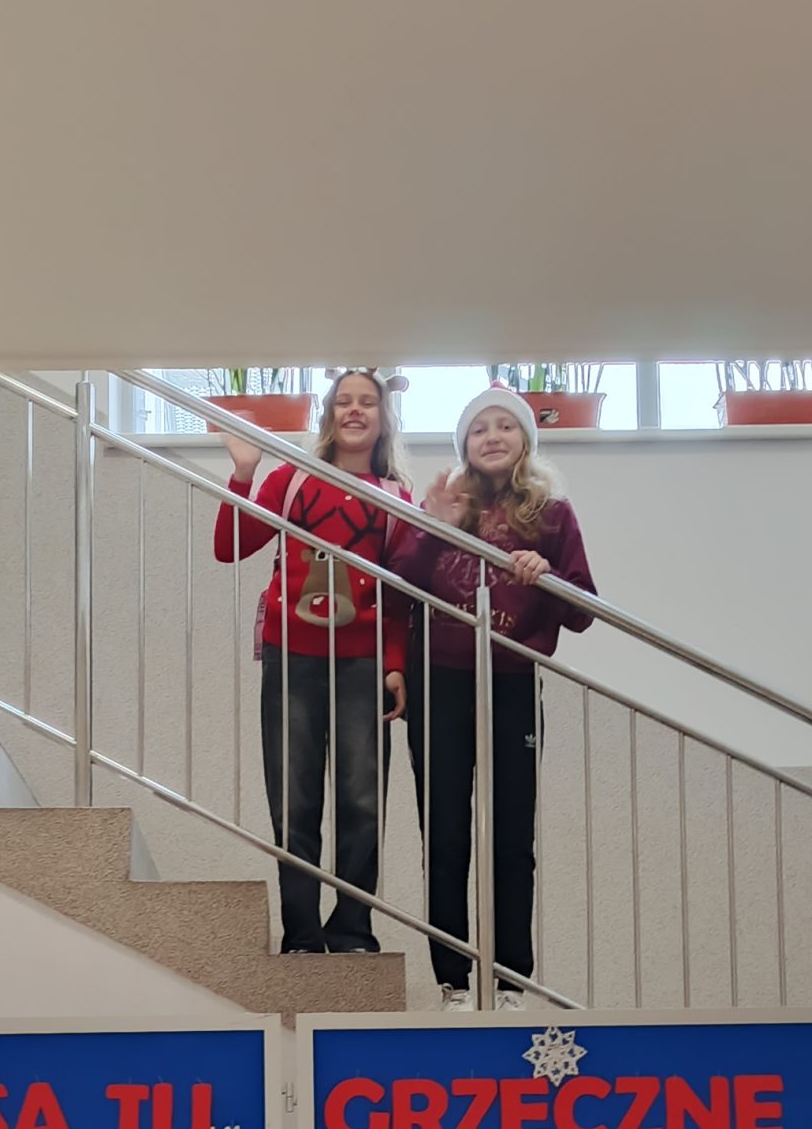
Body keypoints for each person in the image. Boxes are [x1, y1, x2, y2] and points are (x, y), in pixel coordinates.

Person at [399, 383, 597, 1005]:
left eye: (505, 426)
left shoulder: (552, 513)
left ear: (525, 441)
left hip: (511, 683)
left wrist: (550, 575)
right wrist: (435, 527)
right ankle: (453, 983)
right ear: (465, 444)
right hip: (439, 682)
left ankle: (511, 981)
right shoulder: (444, 501)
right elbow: (398, 586)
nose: (493, 436)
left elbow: (583, 610)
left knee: (512, 839)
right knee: (445, 836)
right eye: (480, 428)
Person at [213, 370, 411, 954]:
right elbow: (230, 546)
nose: (355, 410)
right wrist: (244, 473)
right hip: (292, 658)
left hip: (363, 664)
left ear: (383, 417)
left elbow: (401, 594)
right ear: (328, 413)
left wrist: (395, 662)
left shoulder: (397, 497)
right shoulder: (292, 478)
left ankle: (352, 929)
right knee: (294, 799)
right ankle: (300, 933)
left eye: (367, 402)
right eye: (343, 401)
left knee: (361, 801)